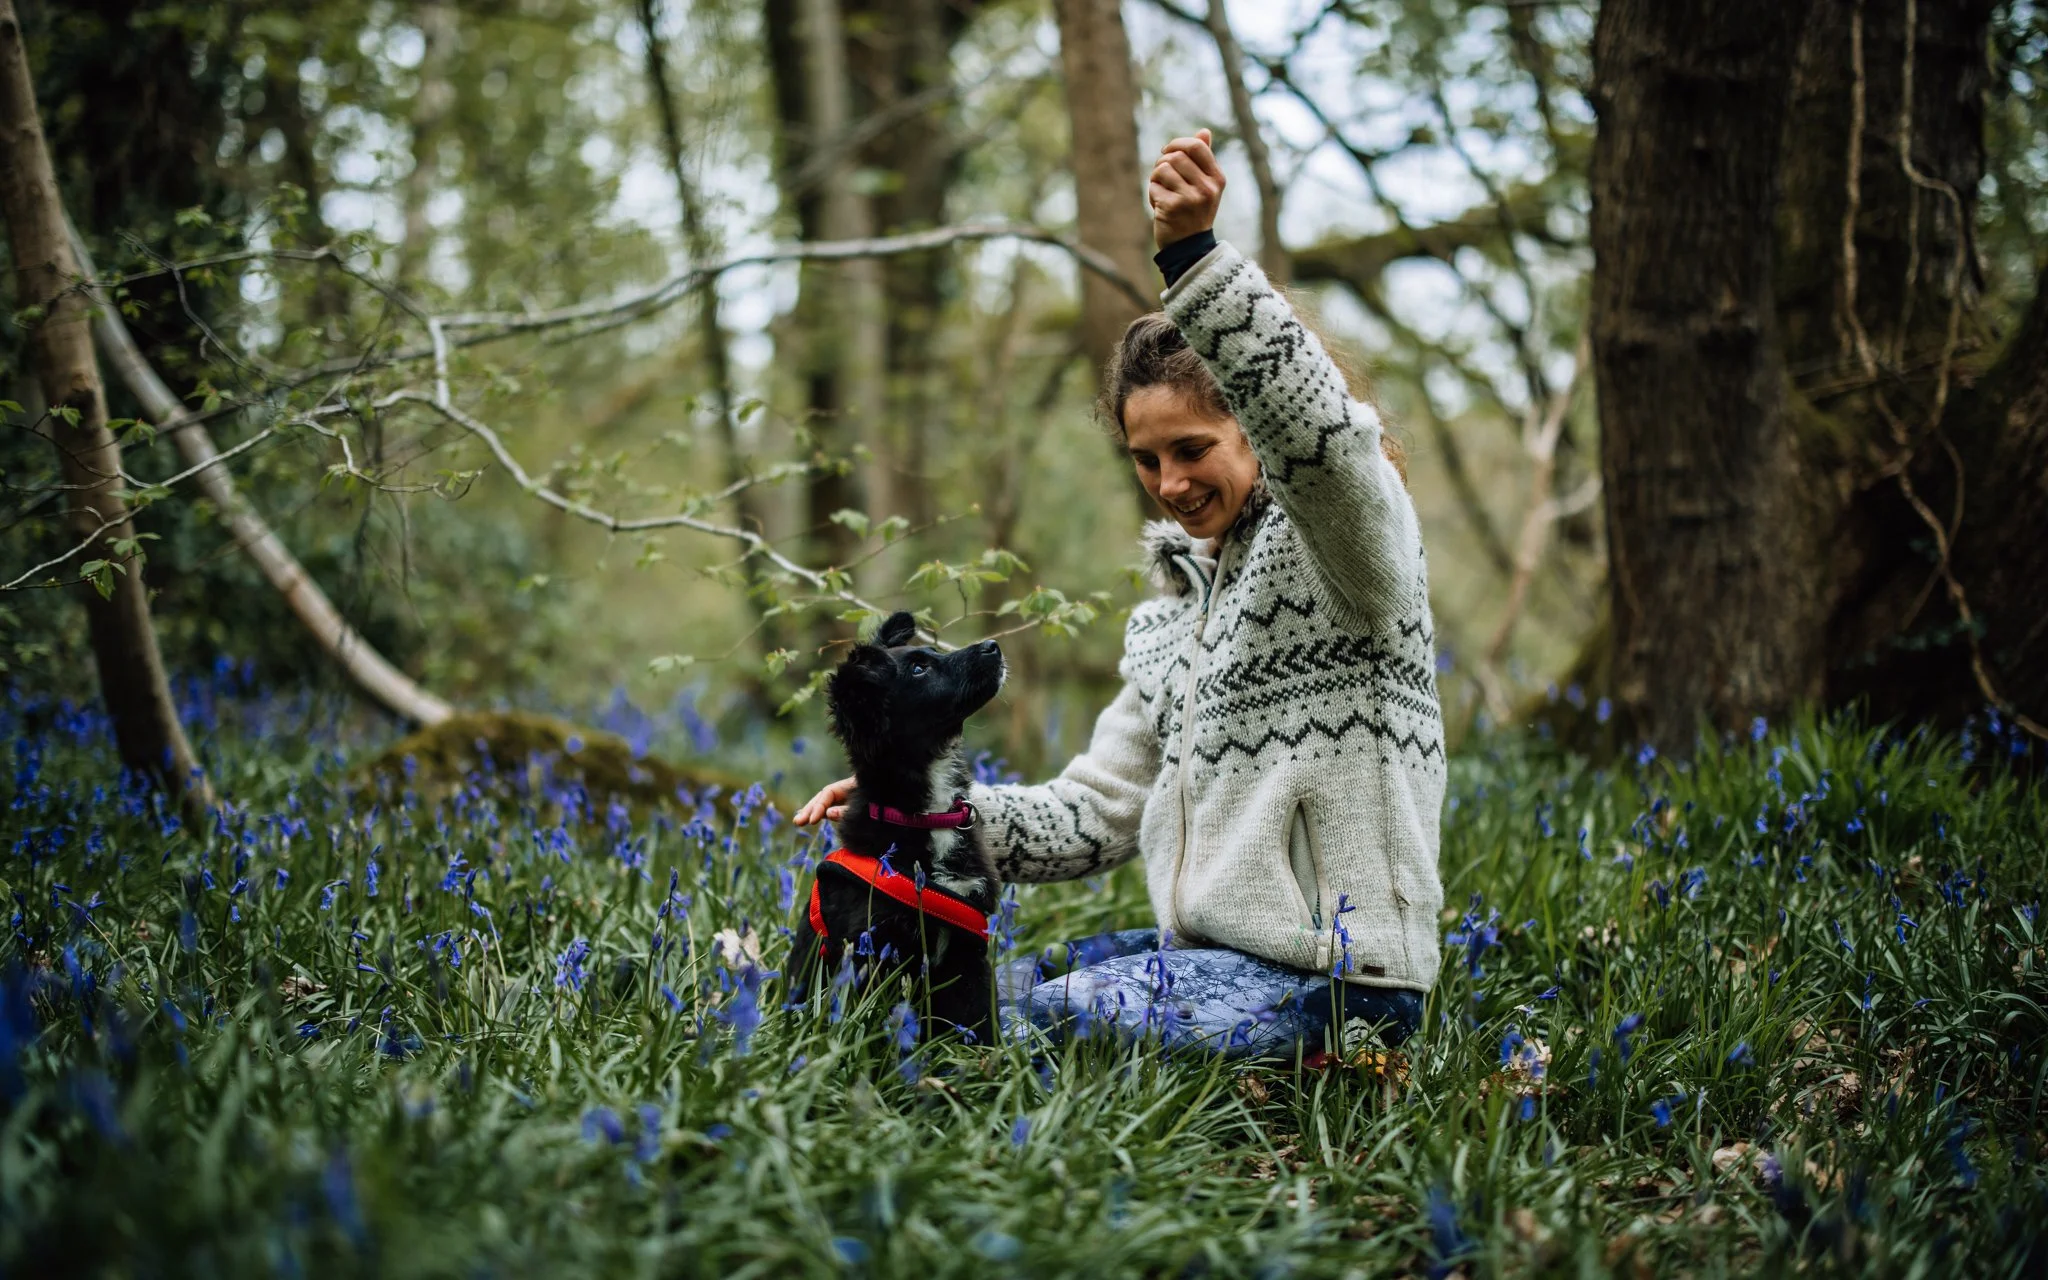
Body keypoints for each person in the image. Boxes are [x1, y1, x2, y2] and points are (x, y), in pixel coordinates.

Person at [794, 128, 1445, 1063]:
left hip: (1339, 983)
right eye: (1146, 459)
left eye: (1193, 450)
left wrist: (1197, 262)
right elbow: (1097, 808)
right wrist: (923, 803)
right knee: (971, 995)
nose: (1170, 483)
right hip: (1209, 961)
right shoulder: (1168, 624)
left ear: (1254, 432)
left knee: (1025, 1027)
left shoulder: (1349, 562)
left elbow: (1327, 444)